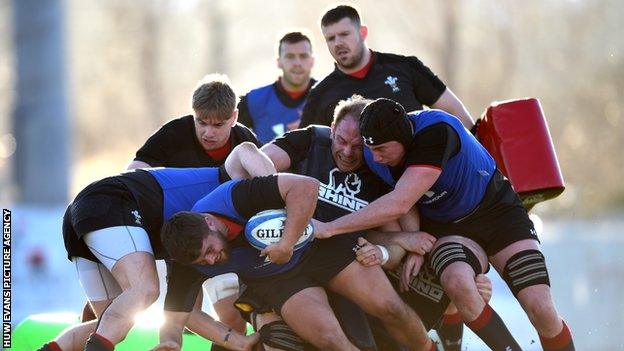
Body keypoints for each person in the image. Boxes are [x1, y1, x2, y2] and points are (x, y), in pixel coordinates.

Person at [315, 97, 576, 351]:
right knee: (458, 283)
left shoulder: (436, 132)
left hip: (497, 213)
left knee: (540, 308)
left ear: (404, 140)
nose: (376, 157)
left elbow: (399, 202)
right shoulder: (374, 153)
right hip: (448, 228)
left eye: (382, 149)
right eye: (370, 149)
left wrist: (331, 228)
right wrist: (414, 239)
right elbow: (403, 197)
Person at [262, 94, 492, 350]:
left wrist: (395, 246)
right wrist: (288, 208)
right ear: (333, 129)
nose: (347, 153)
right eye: (341, 141)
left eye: (358, 146)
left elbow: (400, 244)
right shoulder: (309, 140)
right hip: (289, 254)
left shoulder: (381, 169)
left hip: (342, 257)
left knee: (392, 309)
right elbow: (258, 165)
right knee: (320, 338)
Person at [156, 172, 437, 351]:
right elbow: (176, 317)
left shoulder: (233, 199)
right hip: (277, 279)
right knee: (330, 339)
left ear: (209, 222)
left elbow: (306, 186)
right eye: (203, 260)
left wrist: (287, 242)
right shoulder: (188, 260)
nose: (212, 260)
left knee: (389, 307)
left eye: (210, 249)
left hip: (318, 247)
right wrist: (169, 342)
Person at [36, 143, 274, 351]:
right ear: (209, 223)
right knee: (145, 290)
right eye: (209, 253)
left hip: (83, 214)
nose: (211, 260)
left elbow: (184, 313)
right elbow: (244, 150)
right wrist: (276, 201)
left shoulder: (190, 255)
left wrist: (238, 342)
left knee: (113, 322)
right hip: (110, 200)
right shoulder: (230, 191)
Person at [128, 73, 260, 337]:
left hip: (220, 241)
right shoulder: (173, 133)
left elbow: (262, 190)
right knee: (183, 313)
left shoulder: (246, 141)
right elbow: (134, 173)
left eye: (218, 125)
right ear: (193, 115)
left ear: (234, 118)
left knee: (232, 315)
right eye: (201, 122)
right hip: (180, 239)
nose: (208, 132)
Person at [299, 4, 473, 133]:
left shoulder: (406, 67)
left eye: (344, 34)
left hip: (422, 169)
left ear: (363, 32)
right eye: (331, 38)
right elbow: (307, 151)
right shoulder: (320, 95)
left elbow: (459, 116)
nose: (338, 43)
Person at [237, 31, 315, 144]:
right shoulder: (253, 101)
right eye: (290, 56)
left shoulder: (329, 95)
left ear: (312, 61)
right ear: (279, 62)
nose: (297, 63)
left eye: (303, 56)